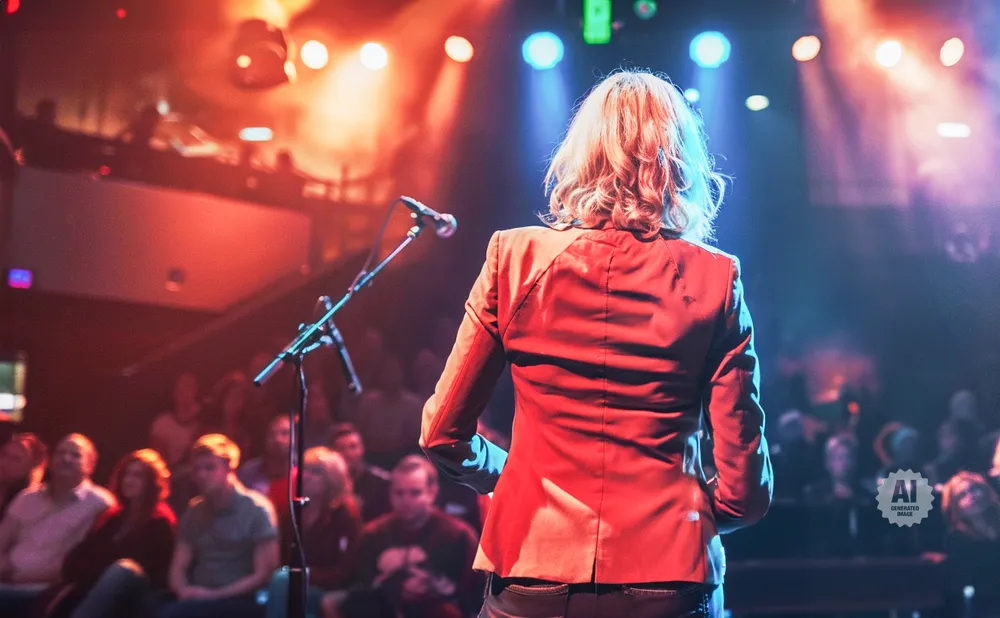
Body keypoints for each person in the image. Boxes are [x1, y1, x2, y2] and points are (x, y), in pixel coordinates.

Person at [420, 69, 772, 618]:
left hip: (530, 568)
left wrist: (516, 479)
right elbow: (744, 490)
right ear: (679, 162)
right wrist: (686, 513)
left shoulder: (514, 258)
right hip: (667, 577)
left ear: (580, 155)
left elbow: (443, 433)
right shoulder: (715, 277)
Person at [157, 434, 279, 618]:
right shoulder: (194, 511)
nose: (201, 475)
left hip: (241, 599)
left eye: (210, 468)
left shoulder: (258, 509)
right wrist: (184, 590)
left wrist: (213, 596)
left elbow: (263, 574)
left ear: (230, 468)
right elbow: (178, 566)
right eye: (197, 469)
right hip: (198, 595)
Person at [53, 449, 176, 618]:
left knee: (123, 570)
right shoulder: (114, 517)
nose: (129, 480)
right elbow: (76, 559)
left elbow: (151, 572)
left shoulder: (160, 520)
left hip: (137, 597)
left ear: (152, 482)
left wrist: (95, 569)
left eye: (137, 476)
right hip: (100, 592)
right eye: (127, 474)